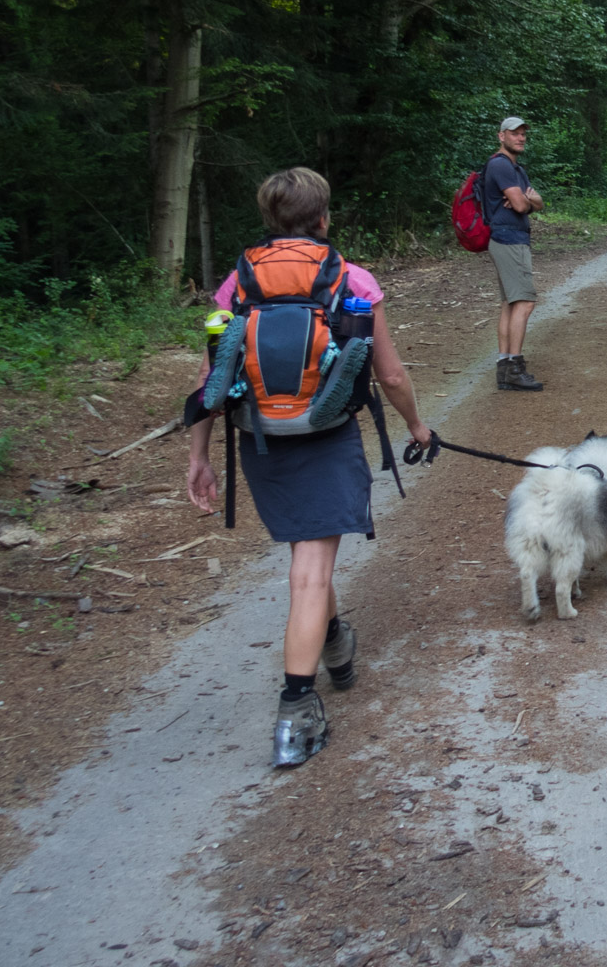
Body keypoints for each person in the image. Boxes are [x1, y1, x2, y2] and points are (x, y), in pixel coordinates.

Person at [185, 167, 433, 766]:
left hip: (262, 440)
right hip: (324, 434)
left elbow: (211, 377)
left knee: (307, 560)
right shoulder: (352, 279)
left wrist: (197, 456)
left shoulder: (237, 283)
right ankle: (296, 712)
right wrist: (417, 427)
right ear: (324, 218)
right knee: (310, 572)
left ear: (270, 220)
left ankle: (334, 641)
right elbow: (390, 374)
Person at [484, 116, 545, 391]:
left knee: (511, 302)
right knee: (524, 302)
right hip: (508, 239)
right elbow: (522, 205)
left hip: (511, 238)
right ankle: (514, 368)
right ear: (501, 136)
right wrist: (526, 201)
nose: (520, 138)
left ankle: (505, 367)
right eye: (514, 133)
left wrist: (528, 201)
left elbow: (536, 202)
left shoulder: (516, 168)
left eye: (523, 134)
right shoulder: (500, 166)